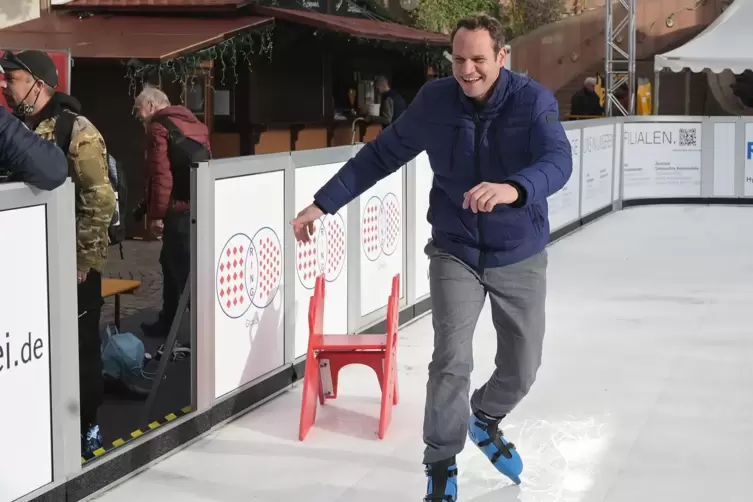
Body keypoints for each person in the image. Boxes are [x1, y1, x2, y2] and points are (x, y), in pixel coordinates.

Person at [291, 14, 572, 501]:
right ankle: (441, 461)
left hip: (518, 251)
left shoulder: (532, 102)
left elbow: (558, 161)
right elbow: (381, 155)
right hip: (455, 248)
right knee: (450, 359)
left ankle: (485, 416)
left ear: (501, 57)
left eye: (478, 60)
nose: (467, 70)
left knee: (522, 366)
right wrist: (323, 202)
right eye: (459, 59)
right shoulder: (436, 102)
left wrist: (512, 189)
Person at [0, 49, 117, 459]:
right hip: (34, 267)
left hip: (74, 268)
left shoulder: (77, 130)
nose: (3, 85)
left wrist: (82, 263)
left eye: (11, 79)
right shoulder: (17, 127)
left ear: (40, 83)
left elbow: (99, 201)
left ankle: (88, 425)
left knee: (81, 348)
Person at [133, 87, 210, 348]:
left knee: (183, 270)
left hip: (177, 210)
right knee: (170, 262)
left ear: (152, 105)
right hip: (198, 203)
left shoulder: (158, 127)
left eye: (138, 109)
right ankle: (168, 321)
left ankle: (205, 334)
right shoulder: (196, 124)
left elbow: (160, 176)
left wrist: (156, 217)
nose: (138, 115)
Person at [0, 62, 67, 189]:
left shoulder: (73, 127)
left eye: (10, 79)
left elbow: (96, 197)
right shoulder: (13, 123)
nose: (2, 84)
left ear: (38, 86)